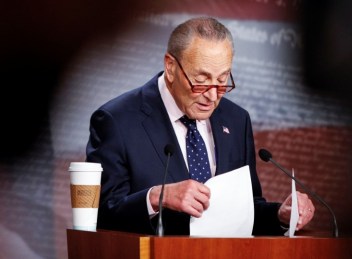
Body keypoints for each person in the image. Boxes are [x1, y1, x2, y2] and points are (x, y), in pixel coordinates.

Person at [86, 16, 315, 236]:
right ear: (171, 67)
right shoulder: (117, 120)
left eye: (222, 79)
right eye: (202, 80)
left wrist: (280, 215)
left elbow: (244, 211)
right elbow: (102, 214)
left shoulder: (236, 120)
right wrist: (156, 197)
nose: (213, 96)